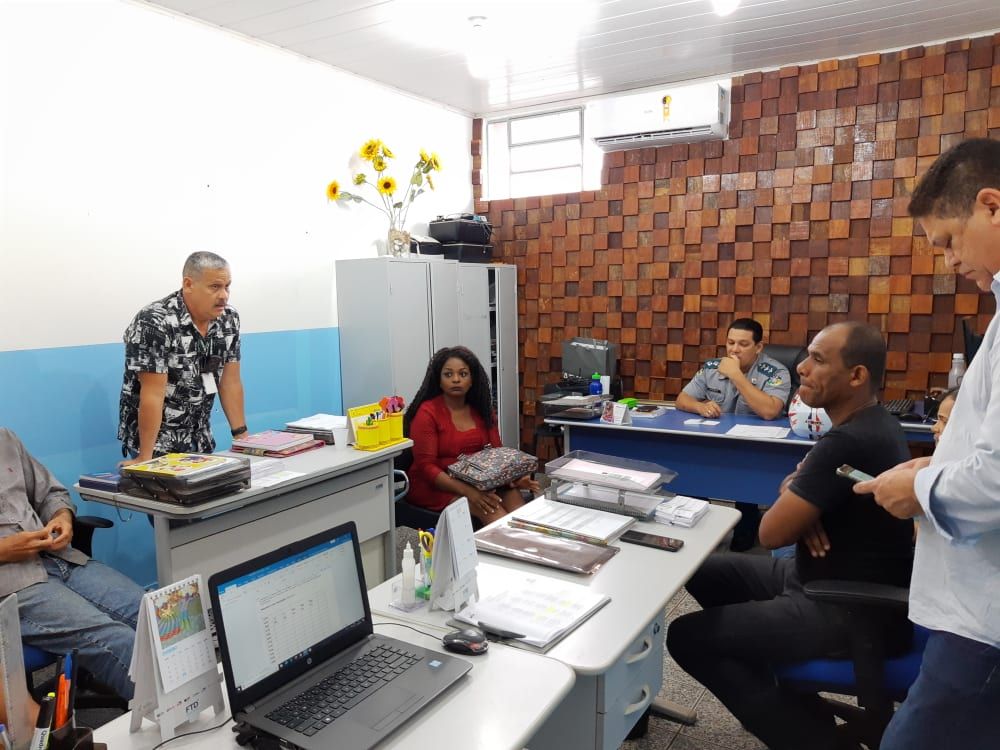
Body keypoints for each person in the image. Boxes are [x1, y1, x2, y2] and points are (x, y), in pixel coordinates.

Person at [666, 322, 914, 750]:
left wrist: (799, 499)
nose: (802, 367)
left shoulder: (847, 441)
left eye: (818, 359)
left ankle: (813, 740)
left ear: (856, 375)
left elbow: (770, 531)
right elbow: (798, 488)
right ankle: (781, 703)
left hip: (845, 607)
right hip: (819, 577)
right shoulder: (875, 422)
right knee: (704, 571)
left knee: (686, 637)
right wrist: (802, 496)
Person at [855, 138, 1000, 749]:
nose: (949, 260)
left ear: (991, 206)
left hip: (986, 624)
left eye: (948, 241)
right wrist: (936, 465)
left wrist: (918, 488)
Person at [0, 428, 144, 701]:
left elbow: (52, 493)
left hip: (59, 559)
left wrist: (62, 517)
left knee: (158, 614)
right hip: (11, 586)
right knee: (120, 642)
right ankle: (178, 723)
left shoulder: (5, 439)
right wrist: (4, 550)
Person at [118, 252, 247, 464]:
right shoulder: (155, 321)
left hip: (200, 437)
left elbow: (230, 382)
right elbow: (152, 394)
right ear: (188, 284)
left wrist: (242, 437)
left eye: (227, 286)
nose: (224, 295)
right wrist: (145, 458)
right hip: (157, 443)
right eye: (215, 287)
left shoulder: (228, 319)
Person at [675, 317, 792, 550]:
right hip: (716, 443)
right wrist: (700, 407)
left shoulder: (776, 372)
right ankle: (704, 522)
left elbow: (770, 411)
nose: (734, 349)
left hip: (756, 449)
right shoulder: (712, 367)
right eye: (730, 343)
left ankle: (748, 518)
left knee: (741, 543)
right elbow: (682, 399)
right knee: (691, 473)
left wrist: (737, 375)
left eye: (743, 344)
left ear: (758, 347)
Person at [403, 346, 539, 524]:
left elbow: (497, 457)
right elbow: (426, 467)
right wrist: (469, 492)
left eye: (463, 374)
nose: (456, 379)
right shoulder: (427, 413)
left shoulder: (482, 410)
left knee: (520, 512)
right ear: (439, 380)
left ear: (472, 379)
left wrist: (513, 481)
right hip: (435, 485)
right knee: (493, 511)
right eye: (448, 374)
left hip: (479, 481)